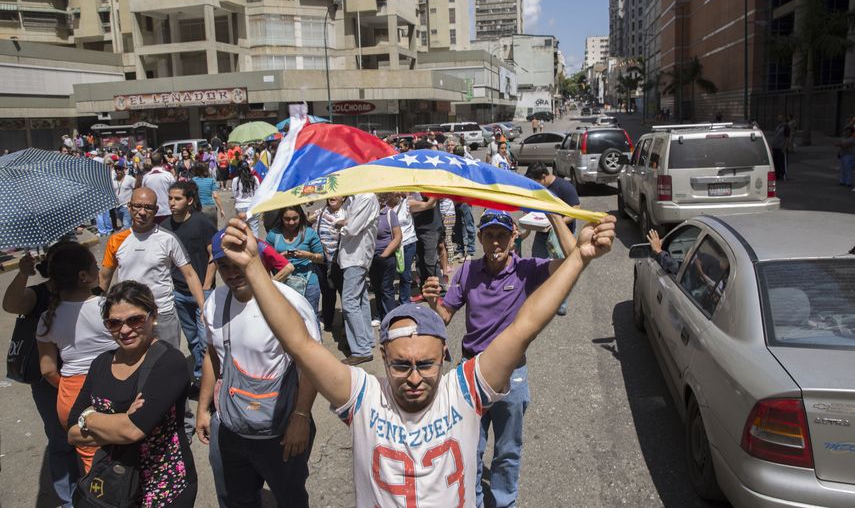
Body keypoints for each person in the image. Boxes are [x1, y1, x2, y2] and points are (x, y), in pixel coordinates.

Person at [214, 211, 614, 507]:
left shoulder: (465, 388)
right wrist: (252, 266)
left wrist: (579, 258)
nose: (414, 377)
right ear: (383, 356)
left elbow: (524, 326)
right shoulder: (364, 395)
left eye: (426, 364)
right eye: (400, 364)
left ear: (444, 354)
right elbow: (300, 344)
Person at [421, 209, 583, 508]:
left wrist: (553, 213)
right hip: (471, 372)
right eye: (489, 236)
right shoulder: (467, 271)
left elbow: (576, 258)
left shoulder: (527, 270)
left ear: (513, 238)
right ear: (480, 238)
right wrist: (433, 302)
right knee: (469, 448)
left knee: (508, 451)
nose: (495, 243)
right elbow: (444, 316)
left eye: (502, 236)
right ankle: (473, 501)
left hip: (512, 374)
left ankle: (504, 503)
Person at [196, 230, 320, 508]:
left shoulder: (290, 303)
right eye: (223, 265)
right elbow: (213, 355)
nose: (231, 272)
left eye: (237, 262)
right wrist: (204, 409)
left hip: (280, 430)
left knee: (290, 498)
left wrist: (301, 417)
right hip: (230, 428)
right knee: (235, 498)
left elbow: (311, 364)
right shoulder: (215, 302)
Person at [67, 281, 198, 507]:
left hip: (163, 488)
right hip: (114, 486)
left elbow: (131, 431)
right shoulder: (100, 364)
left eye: (135, 320)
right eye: (114, 323)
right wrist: (118, 419)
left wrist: (89, 418)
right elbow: (71, 433)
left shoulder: (168, 361)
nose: (125, 330)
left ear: (153, 316)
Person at [3, 248, 79, 507]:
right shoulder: (40, 295)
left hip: (82, 379)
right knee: (61, 442)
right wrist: (23, 274)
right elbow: (11, 304)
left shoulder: (88, 294)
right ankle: (69, 499)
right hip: (51, 386)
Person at [35, 242, 117, 472]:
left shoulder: (46, 318)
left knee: (94, 468)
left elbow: (48, 370)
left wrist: (74, 391)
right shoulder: (108, 307)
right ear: (83, 276)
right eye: (94, 266)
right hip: (113, 386)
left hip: (71, 396)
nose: (99, 270)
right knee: (126, 458)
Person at [99, 187, 207, 349]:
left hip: (162, 314)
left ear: (156, 210)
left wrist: (202, 307)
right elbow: (105, 277)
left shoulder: (168, 239)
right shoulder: (116, 240)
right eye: (137, 206)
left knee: (167, 362)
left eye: (148, 208)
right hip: (129, 316)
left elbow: (190, 274)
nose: (142, 212)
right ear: (129, 207)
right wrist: (99, 308)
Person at [160, 181, 217, 389]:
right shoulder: (164, 227)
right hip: (179, 293)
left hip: (203, 291)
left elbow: (214, 255)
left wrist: (206, 286)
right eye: (170, 198)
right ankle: (202, 378)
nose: (172, 203)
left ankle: (208, 380)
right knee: (192, 339)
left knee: (205, 341)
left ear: (190, 200)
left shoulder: (203, 223)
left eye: (178, 198)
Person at [526, 162, 581, 316]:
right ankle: (538, 300)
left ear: (543, 177)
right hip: (542, 232)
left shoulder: (564, 187)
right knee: (537, 264)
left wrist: (559, 223)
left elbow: (576, 209)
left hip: (562, 235)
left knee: (561, 268)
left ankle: (560, 303)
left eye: (535, 182)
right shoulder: (539, 188)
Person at [336, 193, 380, 364]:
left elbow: (352, 228)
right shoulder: (354, 198)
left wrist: (339, 224)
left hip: (356, 257)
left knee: (350, 302)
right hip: (352, 256)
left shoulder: (366, 197)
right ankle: (366, 341)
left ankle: (361, 349)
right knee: (360, 300)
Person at [266, 206, 325, 322]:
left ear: (301, 217)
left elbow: (321, 258)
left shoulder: (309, 233)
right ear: (281, 218)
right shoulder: (274, 234)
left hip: (309, 283)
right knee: (286, 320)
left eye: (295, 218)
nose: (291, 222)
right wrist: (280, 257)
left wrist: (307, 255)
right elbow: (265, 259)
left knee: (311, 319)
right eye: (287, 219)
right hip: (283, 284)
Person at [312, 196, 347, 331]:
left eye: (337, 194)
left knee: (344, 292)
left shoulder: (347, 212)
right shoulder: (321, 212)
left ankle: (347, 324)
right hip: (322, 259)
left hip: (340, 260)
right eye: (331, 195)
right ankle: (328, 321)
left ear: (343, 197)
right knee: (326, 292)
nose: (332, 197)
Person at [369, 194, 402, 328]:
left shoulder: (389, 214)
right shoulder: (368, 214)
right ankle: (379, 314)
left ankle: (391, 318)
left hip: (386, 257)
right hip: (371, 257)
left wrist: (385, 254)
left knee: (386, 288)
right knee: (376, 287)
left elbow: (398, 236)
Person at [389, 193, 418, 305]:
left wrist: (435, 197)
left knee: (405, 275)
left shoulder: (407, 203)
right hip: (391, 245)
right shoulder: (383, 206)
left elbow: (427, 205)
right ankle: (389, 304)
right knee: (389, 277)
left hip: (408, 243)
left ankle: (404, 302)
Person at [141, 151, 176, 224]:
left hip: (152, 211)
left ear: (151, 162)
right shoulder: (168, 175)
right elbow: (175, 191)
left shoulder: (146, 177)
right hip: (167, 210)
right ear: (162, 161)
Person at [231, 161, 261, 237]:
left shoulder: (235, 180)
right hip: (253, 206)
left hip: (240, 206)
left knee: (242, 229)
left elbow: (235, 194)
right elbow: (259, 192)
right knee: (254, 229)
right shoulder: (255, 178)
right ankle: (255, 246)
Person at [193, 161, 225, 227]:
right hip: (210, 208)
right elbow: (215, 196)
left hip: (198, 208)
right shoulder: (211, 180)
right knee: (213, 229)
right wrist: (221, 209)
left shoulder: (193, 180)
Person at [113, 160, 136, 230]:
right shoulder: (113, 179)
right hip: (117, 207)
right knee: (126, 224)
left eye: (119, 168)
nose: (117, 170)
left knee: (126, 226)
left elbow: (136, 190)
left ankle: (123, 239)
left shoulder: (130, 179)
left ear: (124, 169)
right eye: (116, 169)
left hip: (127, 206)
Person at [835, 122, 855, 189]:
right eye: (847, 131)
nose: (847, 132)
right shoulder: (843, 138)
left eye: (849, 131)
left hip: (849, 155)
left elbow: (844, 145)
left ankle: (848, 182)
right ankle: (842, 181)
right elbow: (839, 145)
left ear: (851, 133)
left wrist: (839, 144)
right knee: (842, 169)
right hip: (843, 155)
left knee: (848, 169)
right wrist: (839, 152)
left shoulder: (852, 139)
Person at [771, 114, 790, 180]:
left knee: (781, 162)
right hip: (775, 147)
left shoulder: (786, 127)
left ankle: (783, 174)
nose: (779, 119)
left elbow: (787, 138)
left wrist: (785, 147)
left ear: (783, 119)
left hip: (781, 147)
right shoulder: (778, 126)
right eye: (778, 118)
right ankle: (777, 174)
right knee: (775, 162)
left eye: (780, 118)